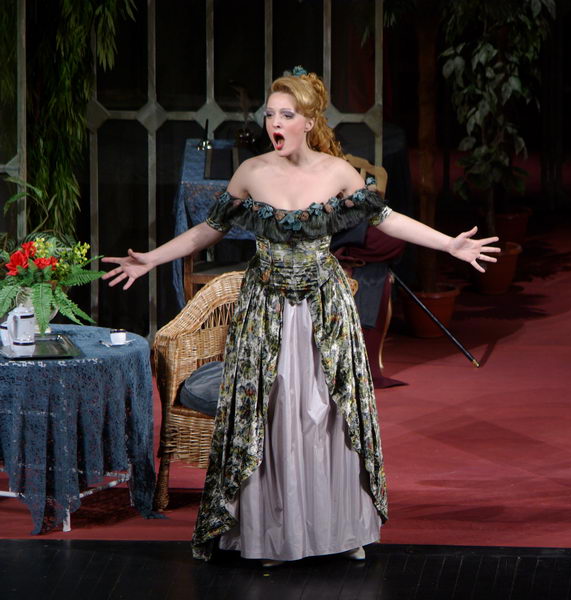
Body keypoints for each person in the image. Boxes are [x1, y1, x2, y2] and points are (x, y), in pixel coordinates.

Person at [103, 68, 499, 562]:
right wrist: (152, 258)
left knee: (325, 414)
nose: (275, 123)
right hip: (265, 309)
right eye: (270, 114)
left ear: (308, 122)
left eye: (286, 115)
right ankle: (273, 535)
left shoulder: (337, 172)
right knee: (270, 416)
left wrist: (450, 245)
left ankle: (340, 531)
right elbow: (209, 229)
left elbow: (386, 219)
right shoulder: (251, 172)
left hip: (323, 310)